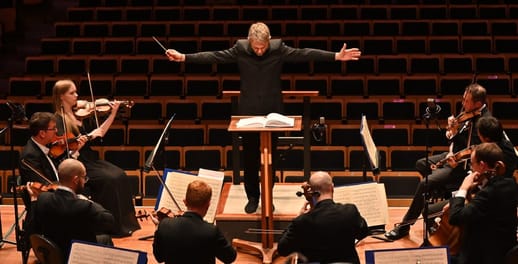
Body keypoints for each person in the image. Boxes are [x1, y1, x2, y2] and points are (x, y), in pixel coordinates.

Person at [165, 22, 362, 214]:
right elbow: (214, 56)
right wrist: (184, 57)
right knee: (250, 158)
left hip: (273, 113)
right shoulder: (240, 48)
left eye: (263, 47)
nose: (259, 51)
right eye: (256, 47)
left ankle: (268, 197)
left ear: (269, 41)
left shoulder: (278, 48)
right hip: (248, 112)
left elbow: (305, 53)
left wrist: (336, 56)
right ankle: (253, 197)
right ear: (249, 41)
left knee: (270, 159)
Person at [385, 83, 491, 240]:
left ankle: (404, 226)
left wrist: (454, 141)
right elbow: (453, 138)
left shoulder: (484, 122)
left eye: (466, 101)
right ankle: (440, 188)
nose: (463, 104)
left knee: (424, 183)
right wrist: (452, 131)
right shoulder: (468, 114)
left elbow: (474, 151)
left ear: (478, 103)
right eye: (463, 99)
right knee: (421, 163)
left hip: (462, 164)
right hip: (452, 155)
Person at [51, 79, 140, 237]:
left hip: (90, 158)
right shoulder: (58, 120)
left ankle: (125, 224)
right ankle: (107, 226)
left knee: (120, 174)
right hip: (77, 163)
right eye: (72, 93)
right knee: (110, 180)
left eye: (76, 92)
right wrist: (83, 140)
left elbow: (100, 132)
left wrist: (113, 113)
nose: (77, 96)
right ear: (61, 97)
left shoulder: (78, 113)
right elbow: (66, 152)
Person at [26, 158, 116, 259]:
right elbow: (109, 221)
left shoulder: (43, 199)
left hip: (52, 253)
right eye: (84, 178)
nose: (84, 182)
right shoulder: (84, 206)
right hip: (77, 255)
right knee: (105, 238)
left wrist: (33, 201)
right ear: (76, 179)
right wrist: (89, 202)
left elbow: (32, 227)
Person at [277, 171, 369, 264]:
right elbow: (363, 232)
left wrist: (298, 218)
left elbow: (282, 249)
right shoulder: (350, 211)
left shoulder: (302, 221)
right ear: (332, 187)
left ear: (311, 192)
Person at [447, 142, 517, 264]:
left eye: (472, 163)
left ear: (482, 165)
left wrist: (463, 188)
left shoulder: (489, 193)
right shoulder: (510, 184)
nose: (471, 167)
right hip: (503, 249)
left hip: (483, 256)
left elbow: (455, 217)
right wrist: (473, 189)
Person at [153, 180, 236, 264]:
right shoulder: (211, 231)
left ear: (185, 202)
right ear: (208, 205)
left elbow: (159, 257)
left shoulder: (165, 225)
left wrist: (157, 228)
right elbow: (230, 257)